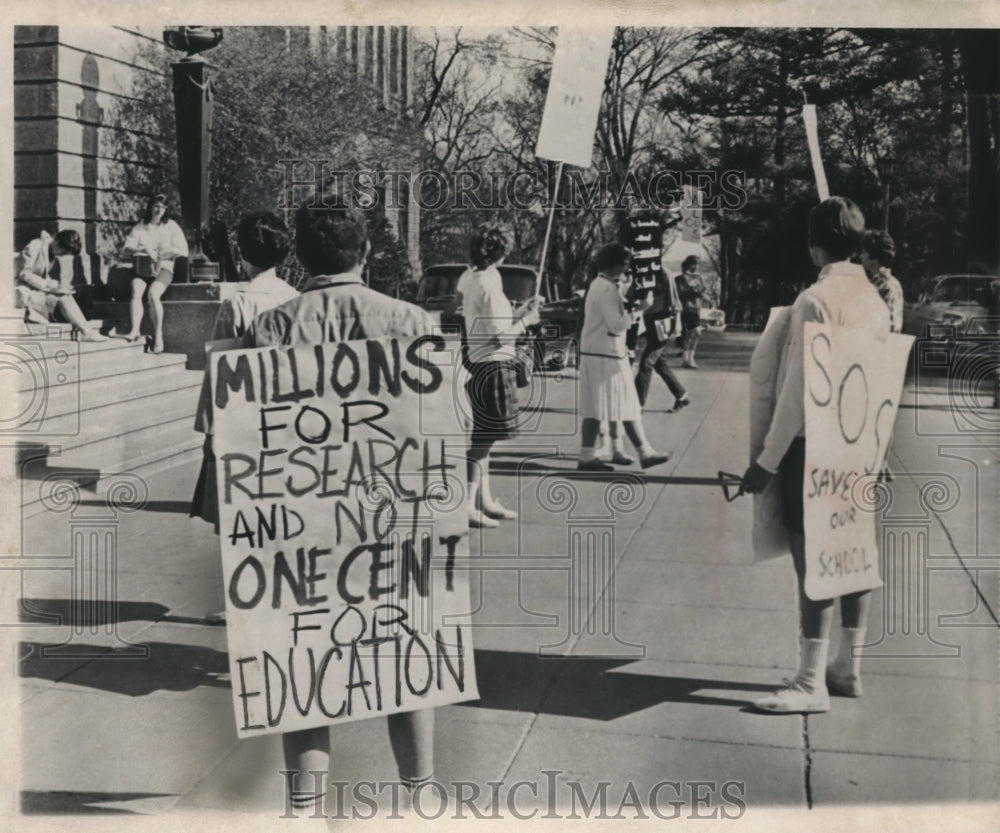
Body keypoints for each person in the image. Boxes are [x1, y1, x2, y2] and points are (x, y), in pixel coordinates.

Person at [242, 200, 438, 814]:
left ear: (300, 257)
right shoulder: (412, 321)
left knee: (302, 667)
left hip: (299, 526)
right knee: (404, 660)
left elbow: (241, 437)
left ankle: (304, 811)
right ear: (367, 253)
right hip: (391, 520)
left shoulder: (272, 327)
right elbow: (437, 434)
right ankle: (419, 797)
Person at [741, 197, 890, 713]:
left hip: (813, 446)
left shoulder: (814, 299)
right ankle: (849, 665)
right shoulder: (875, 299)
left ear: (814, 244)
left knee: (815, 565)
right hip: (861, 442)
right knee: (852, 555)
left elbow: (797, 391)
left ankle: (810, 683)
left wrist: (766, 458)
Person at [190, 211, 299, 544]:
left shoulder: (237, 304)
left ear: (241, 253)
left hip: (244, 421)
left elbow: (220, 373)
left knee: (243, 518)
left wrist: (209, 431)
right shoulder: (296, 300)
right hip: (289, 420)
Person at [457, 224, 542, 528]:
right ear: (501, 252)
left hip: (483, 362)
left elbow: (490, 323)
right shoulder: (488, 285)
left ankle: (483, 499)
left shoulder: (474, 277)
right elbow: (497, 337)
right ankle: (466, 504)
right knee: (483, 438)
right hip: (493, 363)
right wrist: (527, 322)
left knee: (487, 437)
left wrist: (521, 313)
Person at [577, 244, 670, 472]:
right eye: (627, 265)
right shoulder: (608, 290)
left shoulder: (598, 285)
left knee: (594, 408)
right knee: (628, 404)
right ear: (619, 266)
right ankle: (645, 452)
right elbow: (617, 325)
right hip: (607, 355)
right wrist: (641, 310)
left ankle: (587, 455)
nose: (628, 269)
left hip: (594, 352)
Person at [116, 193, 189, 353]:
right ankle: (135, 330)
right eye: (156, 206)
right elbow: (126, 249)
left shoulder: (171, 226)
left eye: (163, 207)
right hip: (142, 269)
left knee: (153, 294)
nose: (159, 210)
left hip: (164, 269)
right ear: (150, 207)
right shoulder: (141, 227)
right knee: (136, 289)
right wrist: (144, 249)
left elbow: (183, 250)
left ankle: (158, 337)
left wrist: (167, 253)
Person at [15, 229, 107, 342]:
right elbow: (24, 273)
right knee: (62, 297)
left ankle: (87, 331)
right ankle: (87, 332)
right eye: (62, 252)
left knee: (65, 295)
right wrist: (48, 285)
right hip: (22, 293)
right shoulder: (35, 245)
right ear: (57, 241)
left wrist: (56, 285)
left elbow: (41, 274)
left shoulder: (49, 250)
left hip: (35, 292)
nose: (61, 255)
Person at [634, 268, 690, 413]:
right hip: (649, 321)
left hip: (662, 321)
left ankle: (637, 404)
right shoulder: (641, 272)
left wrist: (675, 327)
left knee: (646, 363)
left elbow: (675, 303)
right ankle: (681, 396)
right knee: (660, 364)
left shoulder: (664, 274)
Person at [859, 230, 904, 334]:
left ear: (873, 255)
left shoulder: (888, 286)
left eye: (863, 252)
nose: (860, 256)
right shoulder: (874, 283)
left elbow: (893, 327)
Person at [675, 255, 705, 368]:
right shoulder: (680, 278)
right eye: (695, 263)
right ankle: (689, 359)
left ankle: (687, 359)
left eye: (698, 264)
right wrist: (692, 290)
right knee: (696, 332)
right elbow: (680, 293)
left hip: (697, 307)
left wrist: (701, 293)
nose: (696, 266)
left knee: (690, 334)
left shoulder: (699, 277)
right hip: (687, 308)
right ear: (689, 264)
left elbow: (702, 290)